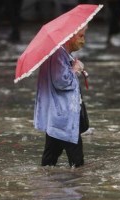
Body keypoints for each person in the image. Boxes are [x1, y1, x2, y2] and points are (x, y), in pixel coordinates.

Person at [34, 26, 89, 168]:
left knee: (48, 163)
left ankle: (47, 186)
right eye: (80, 36)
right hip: (65, 118)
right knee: (77, 164)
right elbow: (60, 81)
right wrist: (75, 70)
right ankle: (76, 188)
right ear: (70, 36)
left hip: (58, 119)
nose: (83, 40)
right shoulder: (58, 54)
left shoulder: (62, 53)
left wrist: (72, 65)